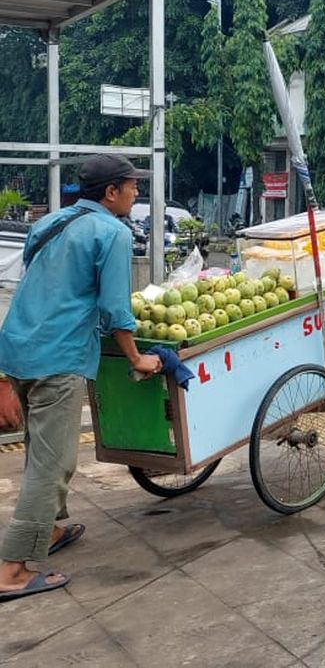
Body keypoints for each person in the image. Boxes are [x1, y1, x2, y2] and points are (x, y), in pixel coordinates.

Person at [0, 155, 162, 603]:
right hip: (58, 358)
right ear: (111, 192)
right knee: (51, 464)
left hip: (17, 348)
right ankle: (11, 570)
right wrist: (137, 358)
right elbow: (114, 309)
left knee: (41, 450)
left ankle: (48, 530)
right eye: (132, 187)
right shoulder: (112, 232)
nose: (136, 194)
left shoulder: (50, 222)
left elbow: (38, 284)